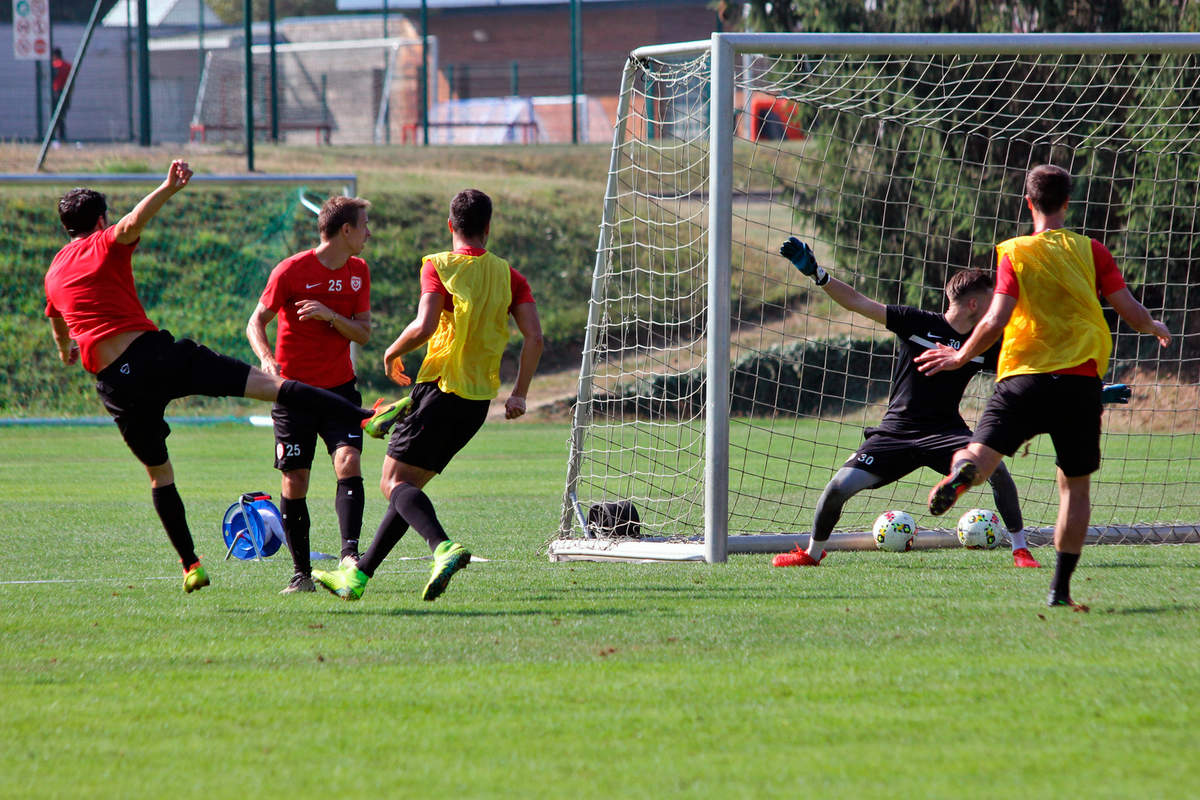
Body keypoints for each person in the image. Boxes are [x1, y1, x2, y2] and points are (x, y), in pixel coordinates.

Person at [44, 160, 387, 594]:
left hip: (116, 385)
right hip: (153, 357)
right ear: (99, 221)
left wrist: (64, 349)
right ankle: (362, 415)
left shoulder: (54, 272)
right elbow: (133, 222)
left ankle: (191, 565)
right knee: (272, 387)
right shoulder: (102, 242)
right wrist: (168, 187)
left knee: (160, 475)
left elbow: (57, 321)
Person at [915, 164, 1171, 608]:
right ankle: (1060, 589)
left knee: (979, 453)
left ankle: (963, 474)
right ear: (1068, 203)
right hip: (1078, 384)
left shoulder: (1015, 252)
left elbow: (995, 318)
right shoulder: (1092, 252)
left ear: (1028, 203)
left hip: (1023, 379)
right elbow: (1128, 309)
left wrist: (959, 356)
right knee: (1074, 487)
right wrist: (1153, 325)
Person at [314, 188, 544, 602]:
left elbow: (423, 326)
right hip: (477, 403)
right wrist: (519, 394)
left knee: (391, 482)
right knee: (408, 492)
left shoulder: (439, 265)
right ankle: (358, 576)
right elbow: (535, 337)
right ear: (488, 228)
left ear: (450, 225)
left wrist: (391, 351)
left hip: (440, 389)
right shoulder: (510, 275)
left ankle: (443, 547)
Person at [770, 238, 1035, 568]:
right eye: (992, 298)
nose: (999, 304)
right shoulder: (917, 322)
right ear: (973, 305)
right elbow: (857, 302)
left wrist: (1089, 390)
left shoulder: (983, 345)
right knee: (838, 487)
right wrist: (818, 274)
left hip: (945, 432)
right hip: (894, 434)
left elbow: (1028, 374)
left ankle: (1020, 549)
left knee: (995, 469)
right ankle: (812, 553)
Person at [247, 196, 374, 594]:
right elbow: (256, 321)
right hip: (294, 393)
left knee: (348, 460)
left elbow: (364, 333)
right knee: (294, 481)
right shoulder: (291, 270)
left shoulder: (358, 272)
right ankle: (301, 575)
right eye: (364, 225)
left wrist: (331, 316)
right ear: (346, 230)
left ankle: (349, 556)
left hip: (339, 390)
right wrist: (266, 359)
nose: (369, 233)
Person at [50, 47, 71, 143]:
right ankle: (61, 136)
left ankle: (55, 137)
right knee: (62, 115)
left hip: (57, 91)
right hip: (67, 92)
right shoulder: (68, 65)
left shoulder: (55, 65)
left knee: (56, 115)